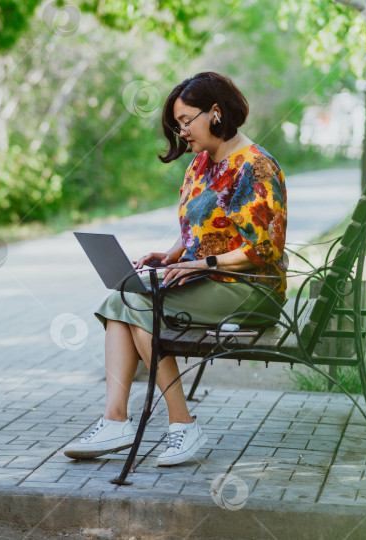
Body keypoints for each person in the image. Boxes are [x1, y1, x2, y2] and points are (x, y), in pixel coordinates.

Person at [63, 72, 287, 466]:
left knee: (140, 306)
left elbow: (264, 250)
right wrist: (169, 256)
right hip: (211, 278)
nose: (181, 131)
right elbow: (200, 227)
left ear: (215, 113)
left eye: (186, 120)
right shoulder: (202, 163)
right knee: (123, 296)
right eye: (177, 124)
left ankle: (183, 426)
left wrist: (202, 263)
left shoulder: (256, 167)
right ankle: (114, 420)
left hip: (251, 288)